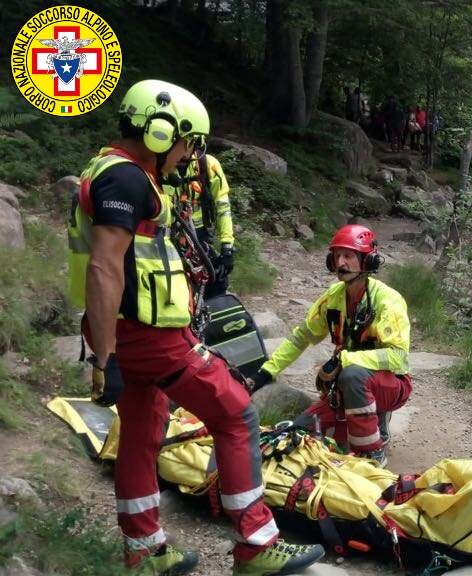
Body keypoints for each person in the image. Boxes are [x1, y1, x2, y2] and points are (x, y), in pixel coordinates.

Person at [67, 79, 323, 575]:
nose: (188, 156)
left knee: (142, 432)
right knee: (235, 412)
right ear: (161, 134)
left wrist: (108, 348)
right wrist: (106, 355)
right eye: (187, 143)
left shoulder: (114, 171)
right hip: (151, 336)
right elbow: (104, 267)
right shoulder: (124, 179)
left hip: (132, 334)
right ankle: (256, 543)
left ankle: (144, 551)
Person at [249, 224, 413, 467]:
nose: (340, 263)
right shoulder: (333, 297)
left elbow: (398, 358)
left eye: (348, 256)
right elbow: (301, 337)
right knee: (298, 432)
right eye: (336, 256)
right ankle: (367, 418)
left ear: (369, 261)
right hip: (346, 384)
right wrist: (267, 371)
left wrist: (344, 360)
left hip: (390, 385)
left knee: (352, 375)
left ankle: (372, 454)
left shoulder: (388, 301)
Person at [171, 153, 234, 297]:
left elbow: (223, 207)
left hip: (199, 236)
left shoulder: (208, 165)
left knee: (215, 282)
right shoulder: (159, 162)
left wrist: (227, 247)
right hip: (168, 236)